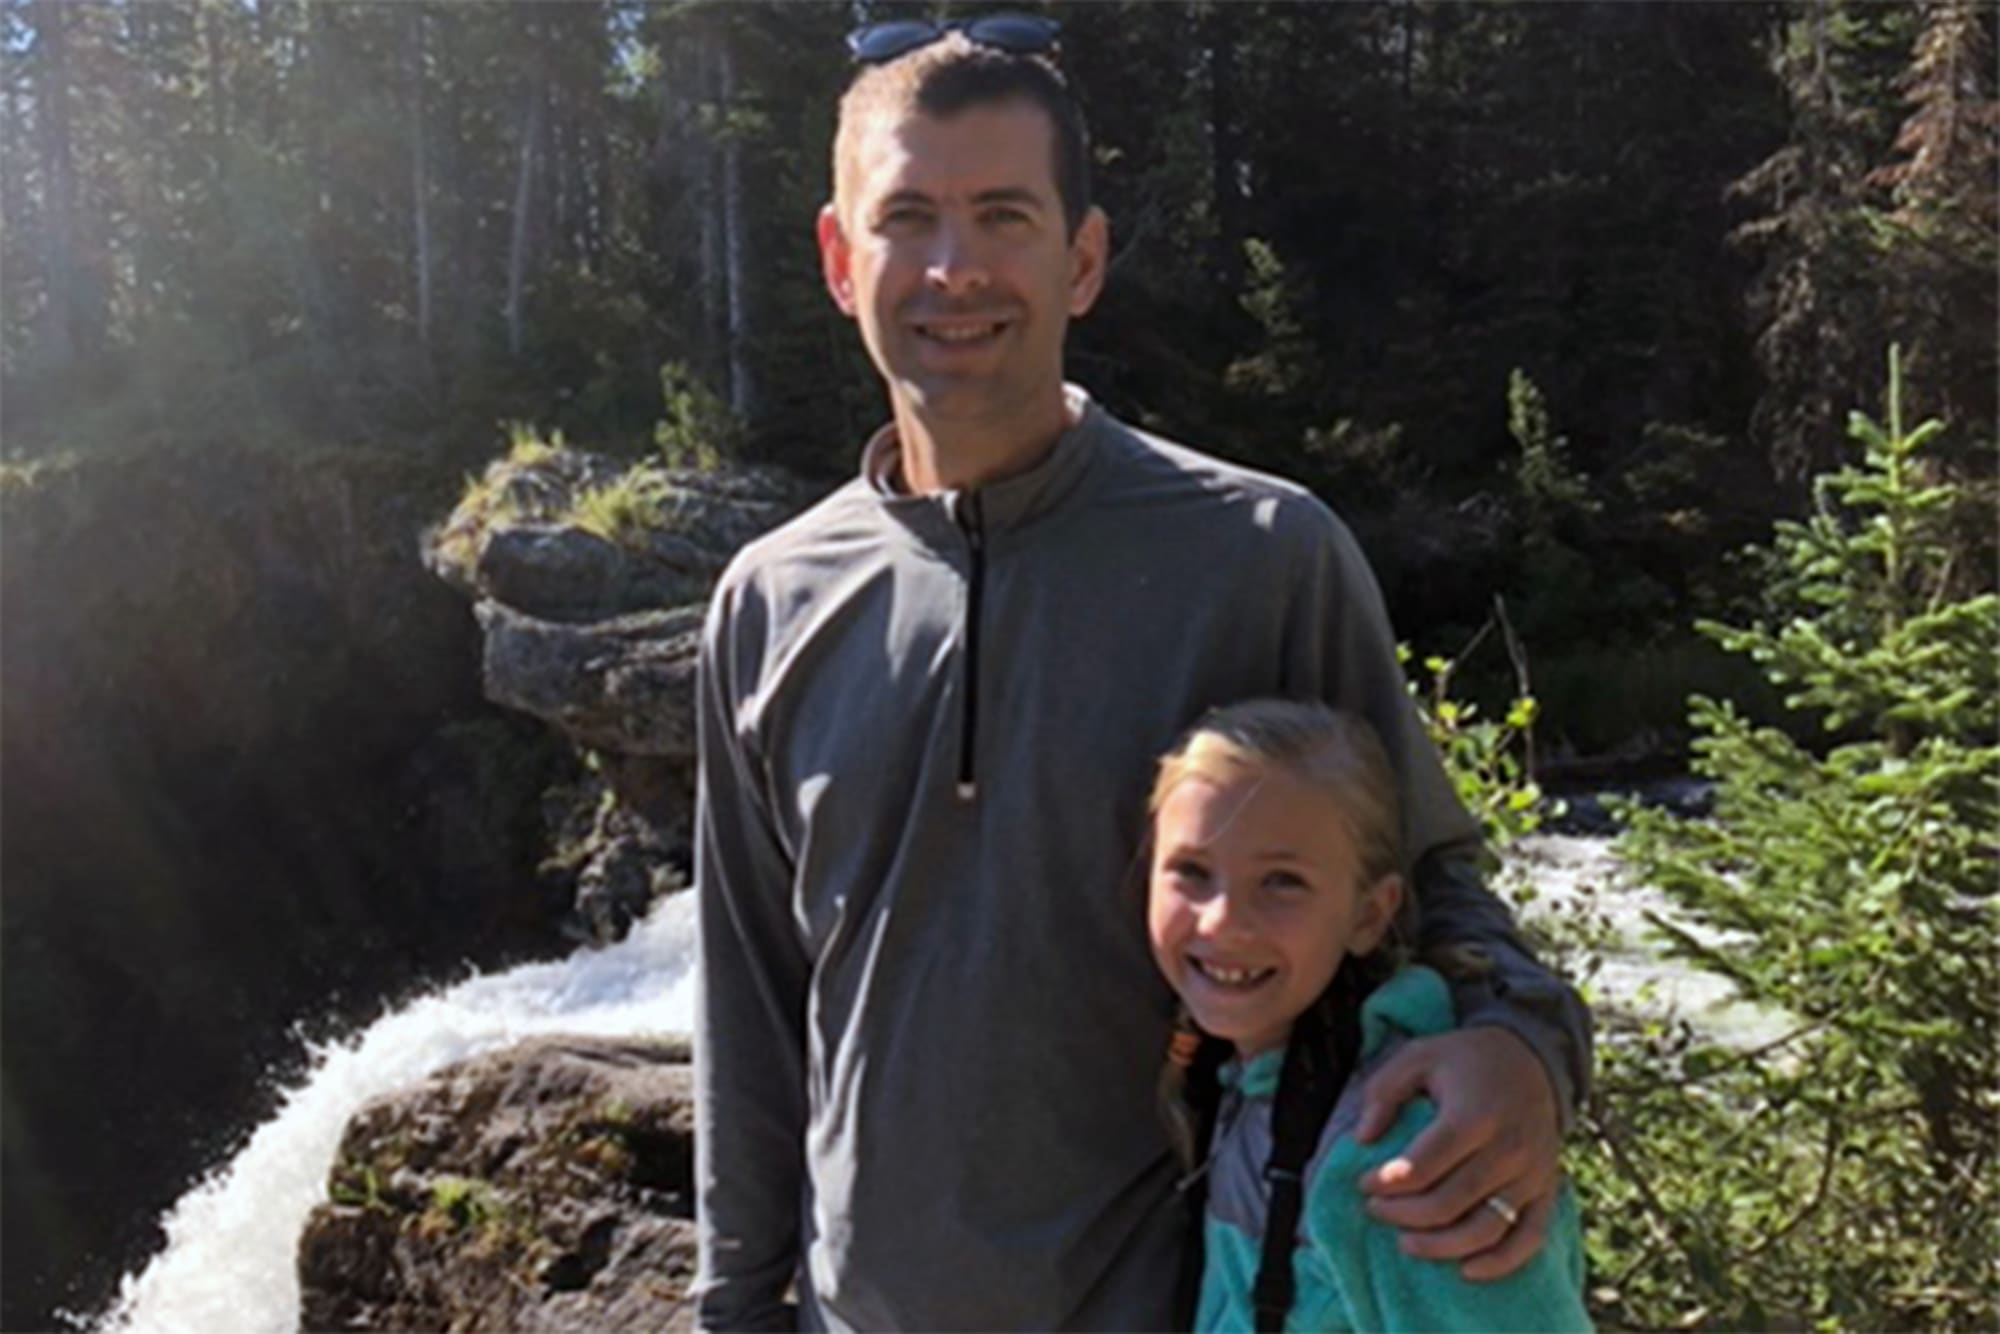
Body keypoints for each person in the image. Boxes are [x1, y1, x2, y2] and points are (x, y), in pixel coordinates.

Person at [694, 16, 1590, 1330]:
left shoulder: (1262, 553)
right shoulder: (767, 603)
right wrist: (730, 1307)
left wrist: (1523, 1048)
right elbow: (753, 1007)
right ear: (840, 257)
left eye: (1006, 215)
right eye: (907, 218)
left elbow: (1431, 882)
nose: (955, 267)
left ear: (1086, 257)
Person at [1148, 700, 1592, 1332]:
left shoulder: (1401, 1153)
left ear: (1369, 914)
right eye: (1192, 871)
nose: (1222, 921)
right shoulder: (1255, 1083)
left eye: (1282, 882)